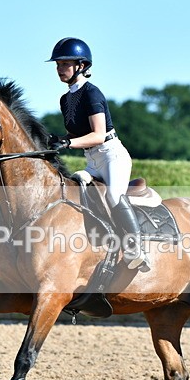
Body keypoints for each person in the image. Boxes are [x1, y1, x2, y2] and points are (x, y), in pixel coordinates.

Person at [46, 37, 150, 270]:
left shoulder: (92, 93)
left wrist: (68, 143)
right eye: (58, 65)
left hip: (112, 156)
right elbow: (76, 133)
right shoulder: (66, 99)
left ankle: (137, 249)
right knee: (73, 190)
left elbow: (98, 135)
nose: (59, 69)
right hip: (92, 160)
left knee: (113, 196)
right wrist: (58, 140)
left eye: (64, 64)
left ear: (81, 65)